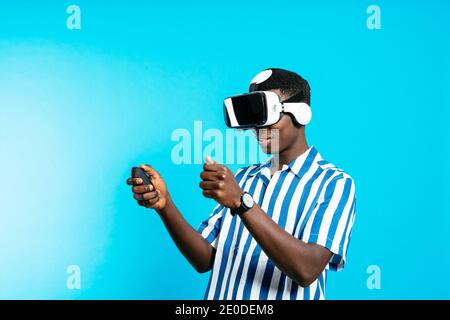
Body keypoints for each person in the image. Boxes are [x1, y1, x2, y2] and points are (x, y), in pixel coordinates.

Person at [126, 68, 356, 300]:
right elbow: (204, 259)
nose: (258, 130)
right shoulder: (245, 178)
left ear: (300, 114)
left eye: (267, 117)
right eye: (255, 120)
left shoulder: (333, 183)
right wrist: (165, 205)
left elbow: (306, 270)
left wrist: (241, 202)